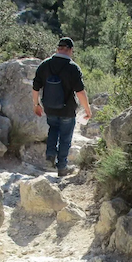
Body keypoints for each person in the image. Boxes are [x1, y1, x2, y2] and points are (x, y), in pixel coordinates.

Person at [32, 37, 93, 177]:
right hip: (67, 110)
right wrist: (87, 110)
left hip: (49, 107)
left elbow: (35, 87)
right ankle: (62, 168)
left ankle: (50, 154)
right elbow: (80, 92)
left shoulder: (44, 65)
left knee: (53, 129)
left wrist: (36, 105)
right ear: (70, 50)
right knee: (65, 138)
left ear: (57, 49)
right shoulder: (73, 67)